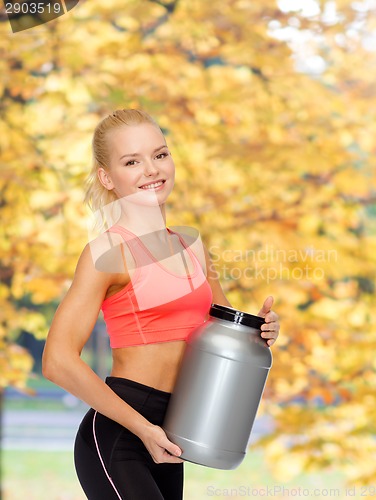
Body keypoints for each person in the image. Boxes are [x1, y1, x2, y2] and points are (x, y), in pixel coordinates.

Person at [42, 108, 280, 500]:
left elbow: (225, 332)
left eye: (160, 154)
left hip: (172, 434)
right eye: (132, 161)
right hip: (121, 435)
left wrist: (263, 328)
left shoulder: (192, 246)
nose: (151, 169)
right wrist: (143, 428)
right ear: (107, 177)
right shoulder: (106, 252)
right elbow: (57, 360)